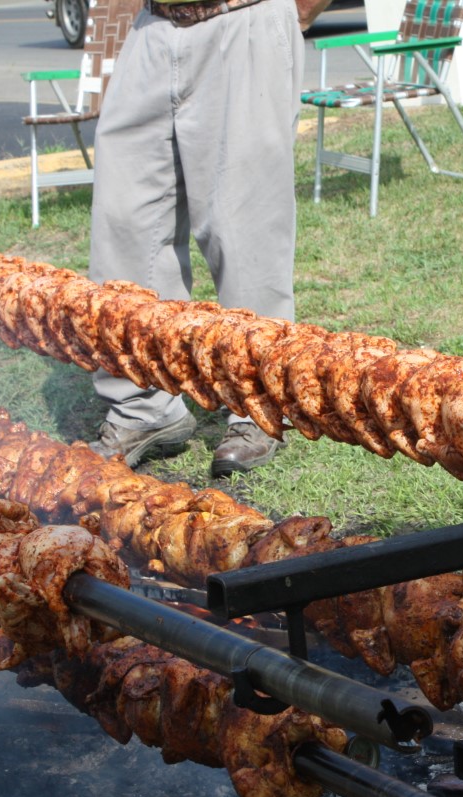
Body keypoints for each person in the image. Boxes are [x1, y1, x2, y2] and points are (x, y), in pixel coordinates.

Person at [86, 0, 333, 476]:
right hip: (151, 29)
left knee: (243, 229)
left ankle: (256, 406)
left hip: (243, 20)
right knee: (125, 225)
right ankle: (145, 407)